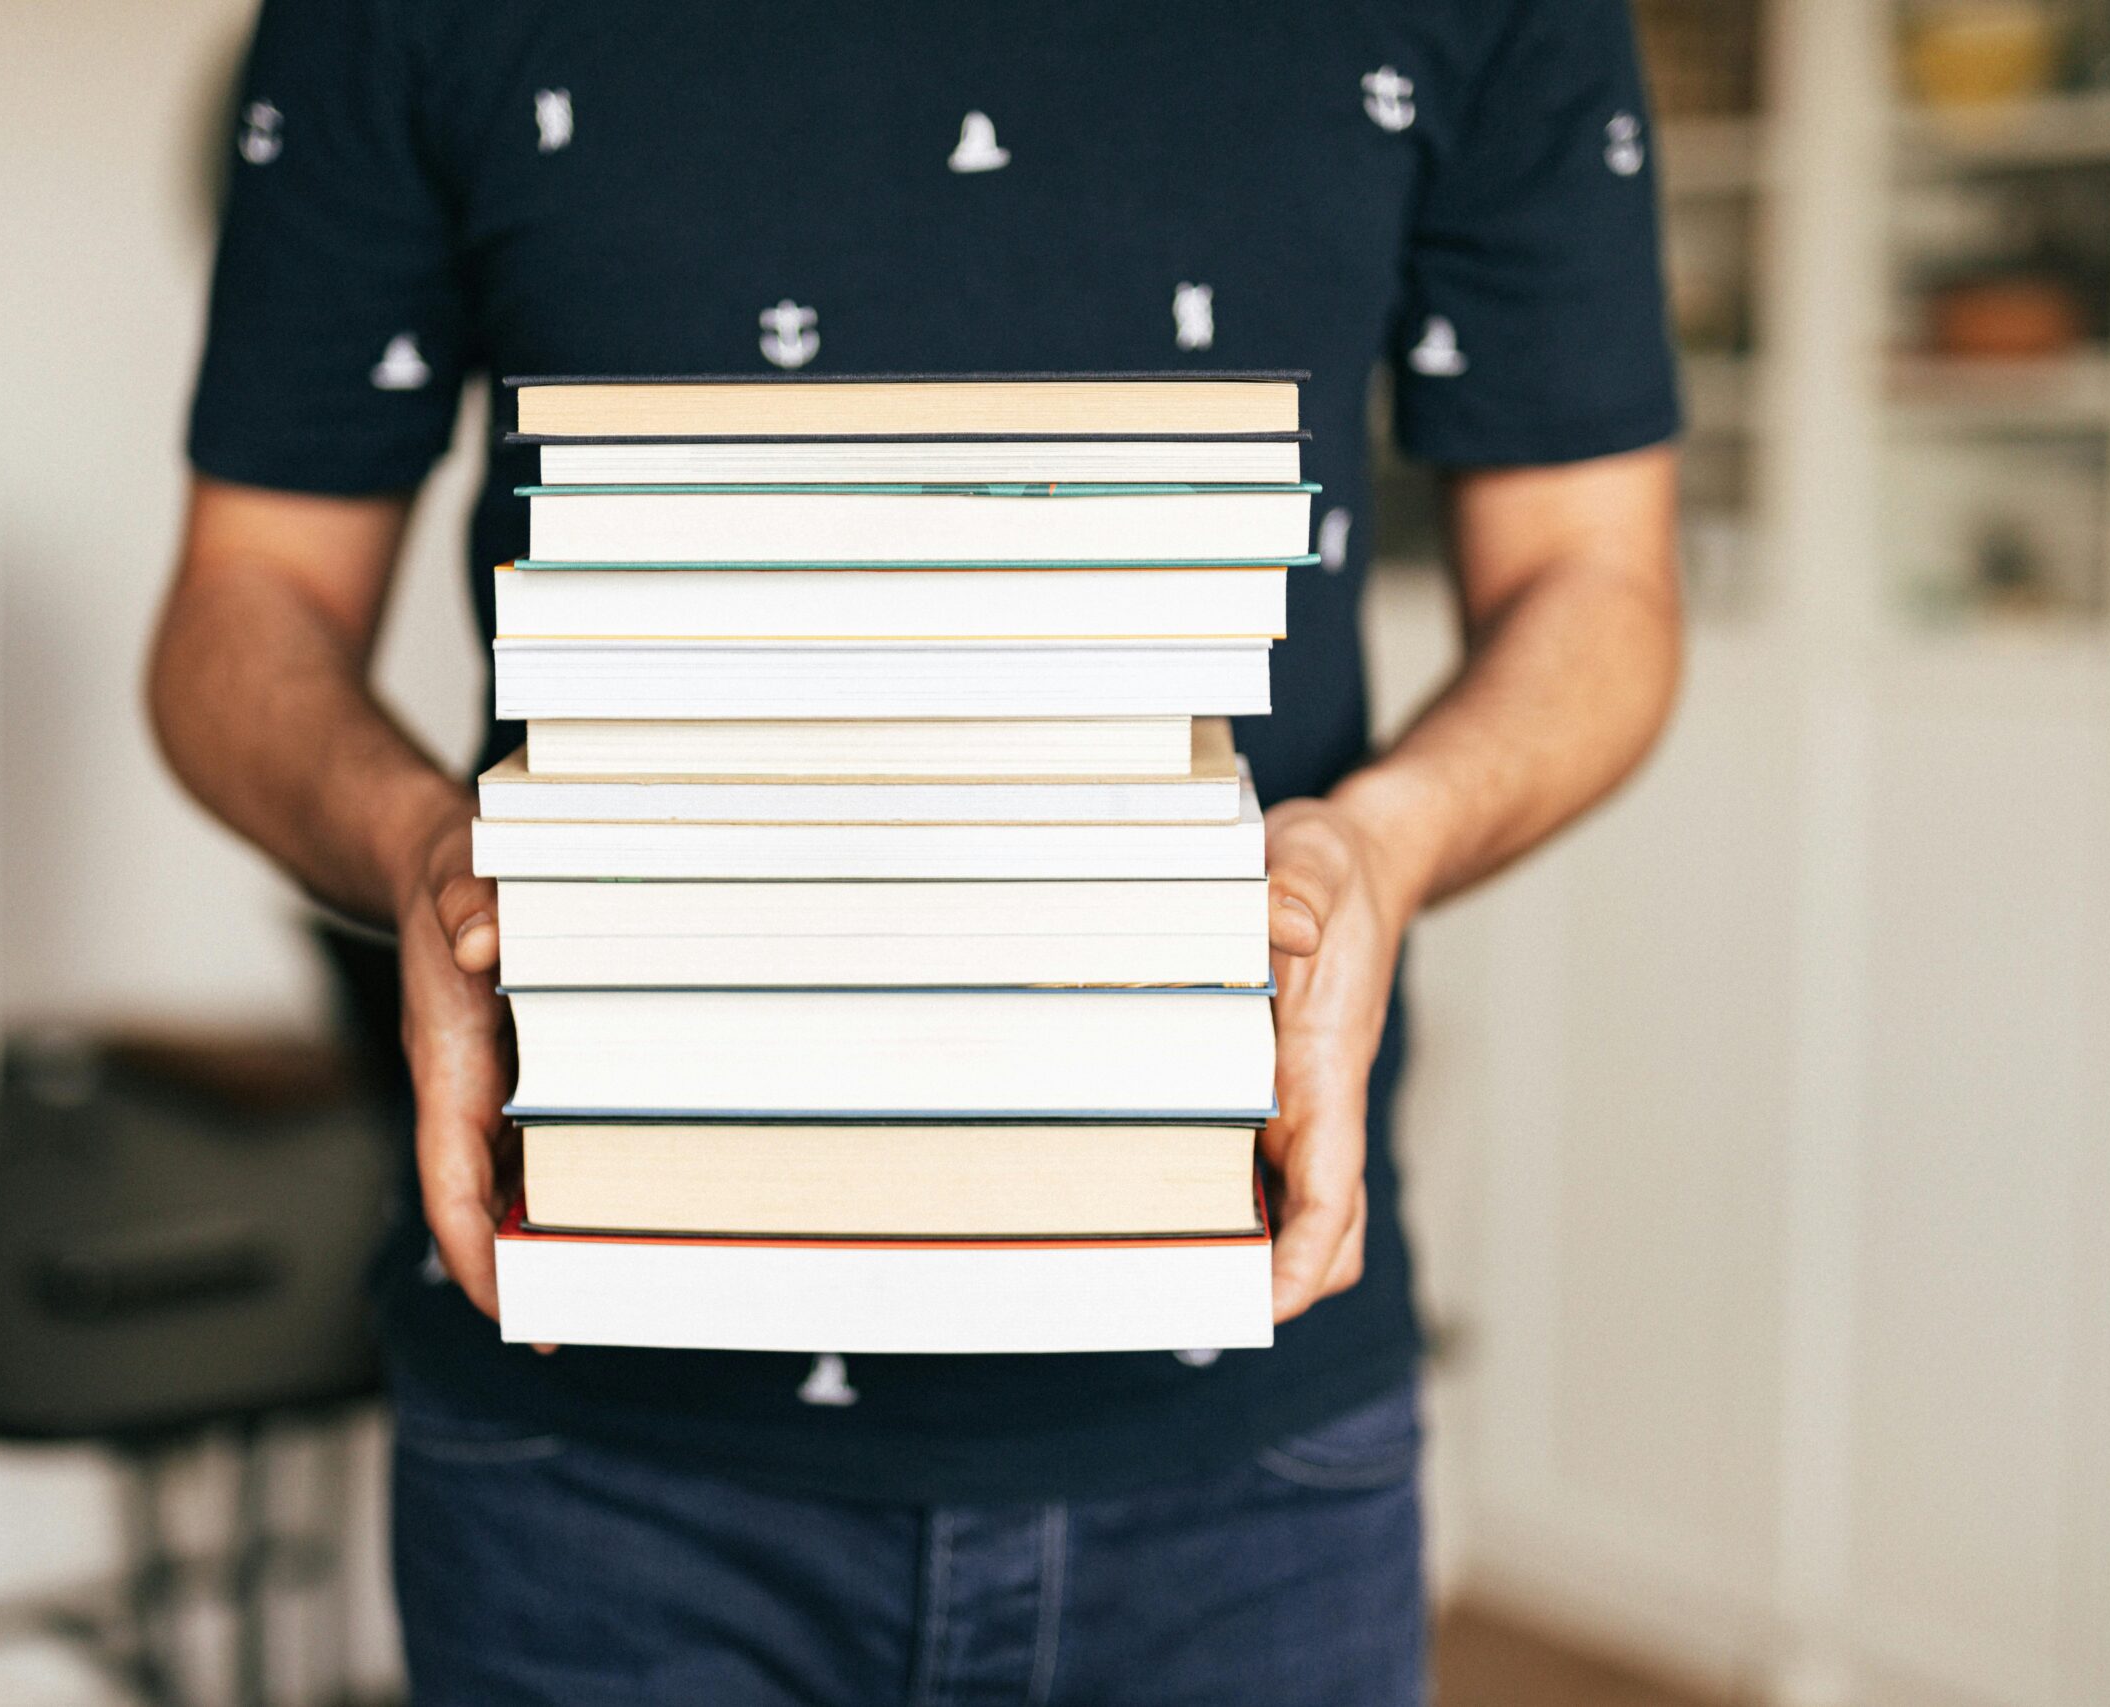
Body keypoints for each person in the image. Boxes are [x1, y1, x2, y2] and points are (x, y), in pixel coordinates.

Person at [148, 2, 1683, 1700]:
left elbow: (1599, 585)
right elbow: (243, 607)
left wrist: (1387, 845)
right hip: (596, 1454)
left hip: (1237, 1434)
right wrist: (427, 848)